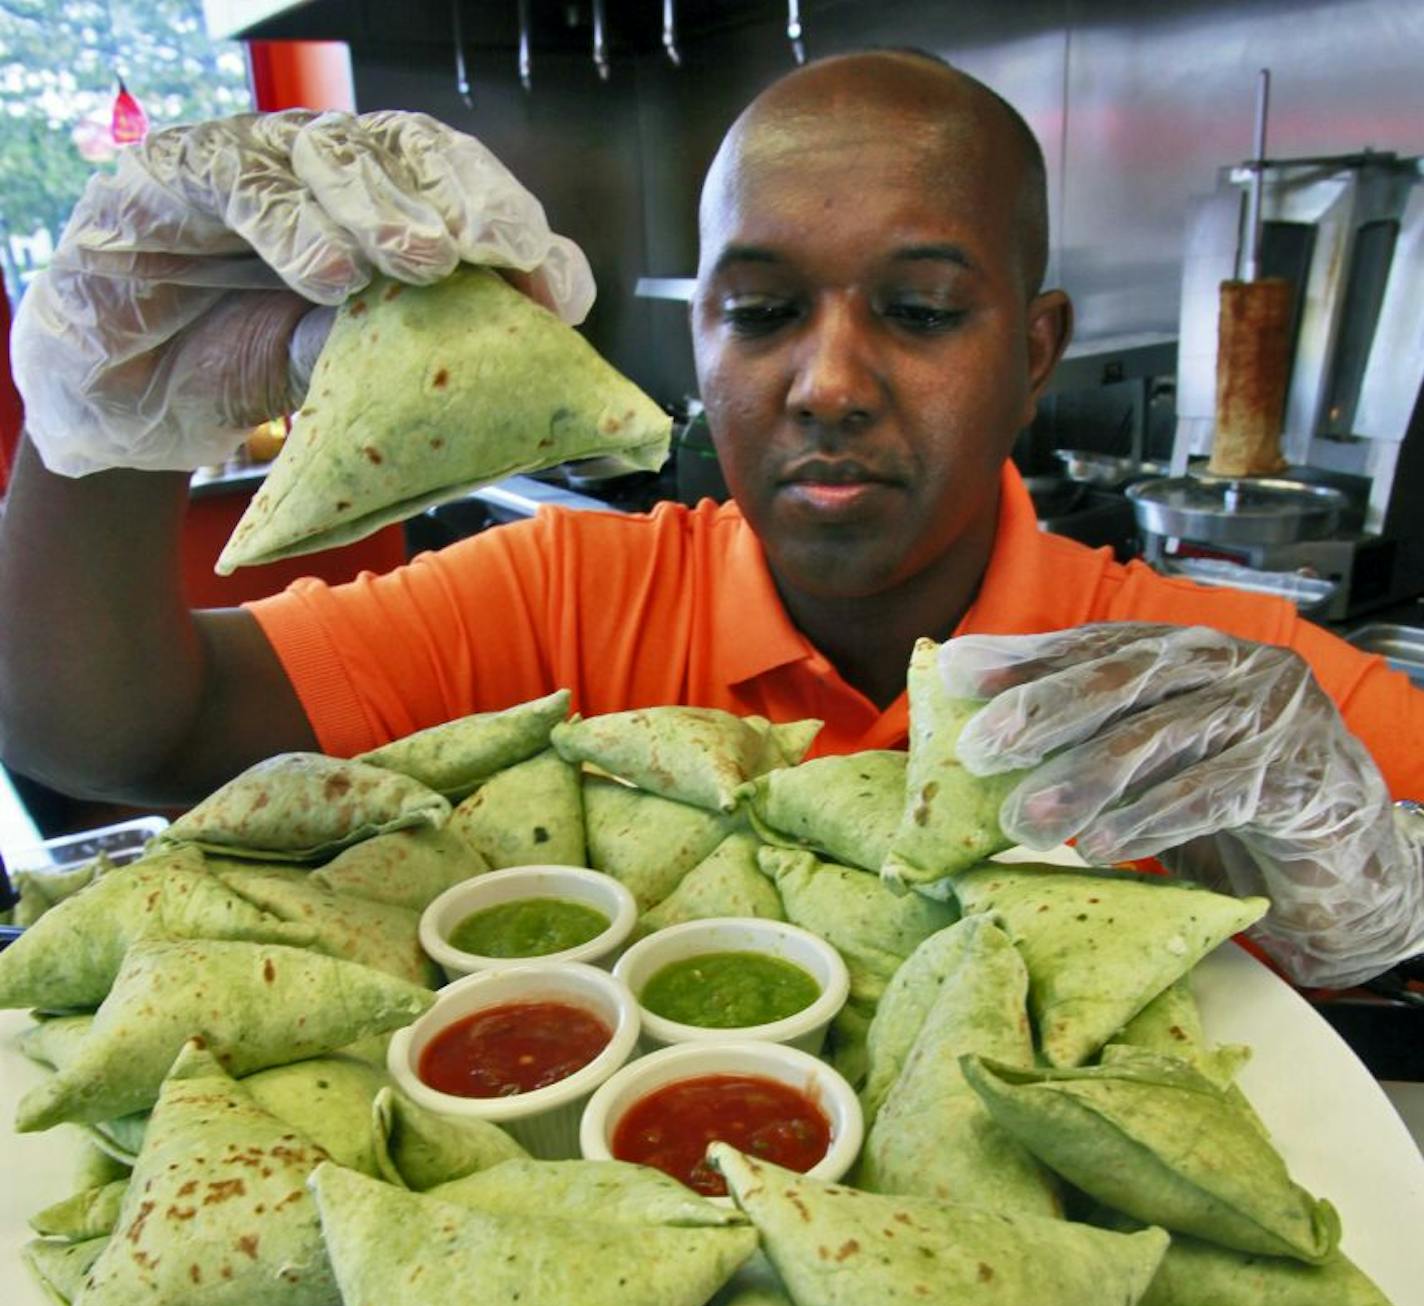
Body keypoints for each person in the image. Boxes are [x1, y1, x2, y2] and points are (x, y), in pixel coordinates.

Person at [0, 51, 1420, 986]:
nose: (831, 382)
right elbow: (114, 731)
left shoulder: (1195, 683)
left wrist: (1357, 868)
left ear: (1035, 352)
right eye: (763, 313)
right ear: (700, 347)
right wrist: (108, 418)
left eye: (921, 311)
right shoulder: (558, 606)